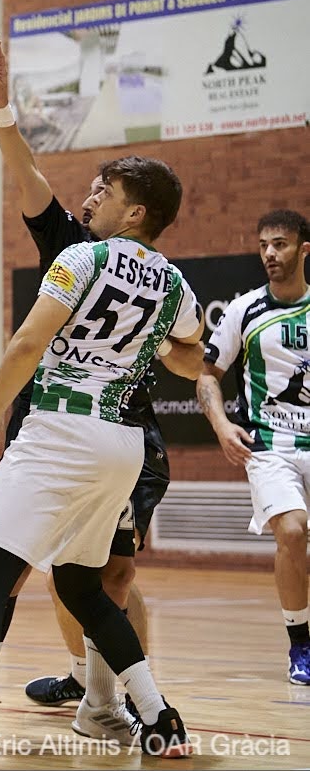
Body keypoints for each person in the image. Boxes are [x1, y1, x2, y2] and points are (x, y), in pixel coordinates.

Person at [0, 155, 203, 768]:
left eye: (107, 192)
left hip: (60, 431)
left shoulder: (81, 259)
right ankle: (160, 718)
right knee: (81, 584)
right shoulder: (175, 284)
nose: (94, 198)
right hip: (120, 442)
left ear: (135, 212)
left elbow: (28, 342)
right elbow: (190, 354)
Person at [0, 38, 204, 744]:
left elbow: (193, 359)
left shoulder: (151, 276)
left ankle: (103, 700)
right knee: (23, 568)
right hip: (51, 423)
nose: (88, 199)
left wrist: (165, 348)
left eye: (103, 193)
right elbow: (23, 166)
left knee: (112, 571)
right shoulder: (69, 245)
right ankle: (62, 687)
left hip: (121, 426)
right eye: (90, 194)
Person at [197, 209, 310, 684]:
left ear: (303, 250)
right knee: (291, 532)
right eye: (264, 244)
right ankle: (300, 645)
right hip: (269, 447)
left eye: (280, 244)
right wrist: (222, 425)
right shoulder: (244, 310)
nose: (270, 253)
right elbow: (207, 375)